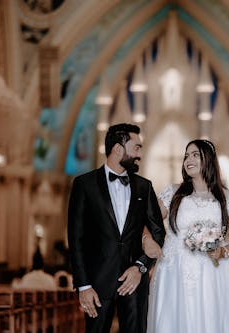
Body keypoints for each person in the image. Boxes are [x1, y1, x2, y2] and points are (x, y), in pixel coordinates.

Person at [68, 123, 166, 333]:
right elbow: (75, 239)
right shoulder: (84, 185)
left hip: (135, 282)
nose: (140, 153)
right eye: (137, 147)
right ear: (118, 149)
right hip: (97, 284)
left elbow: (158, 232)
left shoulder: (144, 186)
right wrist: (83, 286)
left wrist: (140, 267)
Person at [147, 139, 229, 333]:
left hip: (213, 272)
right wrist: (147, 240)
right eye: (186, 155)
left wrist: (223, 251)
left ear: (209, 159)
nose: (189, 159)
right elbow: (145, 221)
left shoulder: (228, 198)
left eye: (195, 154)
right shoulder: (173, 194)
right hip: (174, 271)